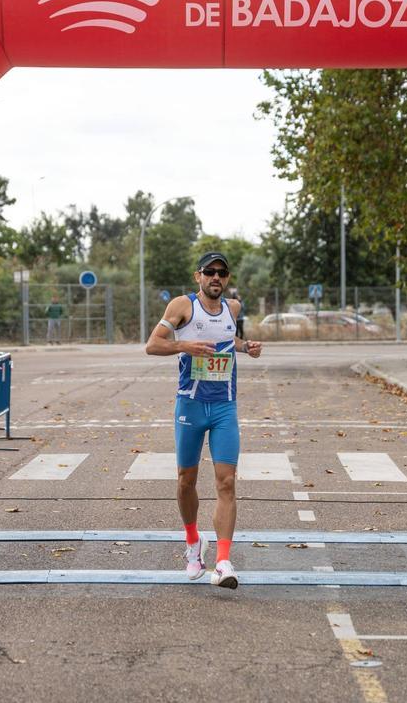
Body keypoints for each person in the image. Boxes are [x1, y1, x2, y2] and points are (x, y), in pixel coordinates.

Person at [145, 251, 262, 589]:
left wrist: (246, 346)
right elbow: (153, 345)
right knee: (186, 481)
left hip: (225, 406)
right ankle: (193, 542)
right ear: (198, 276)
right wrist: (185, 346)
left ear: (227, 279)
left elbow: (227, 340)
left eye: (222, 273)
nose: (216, 278)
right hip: (191, 406)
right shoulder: (183, 306)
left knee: (227, 483)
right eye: (209, 272)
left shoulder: (233, 308)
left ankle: (223, 562)